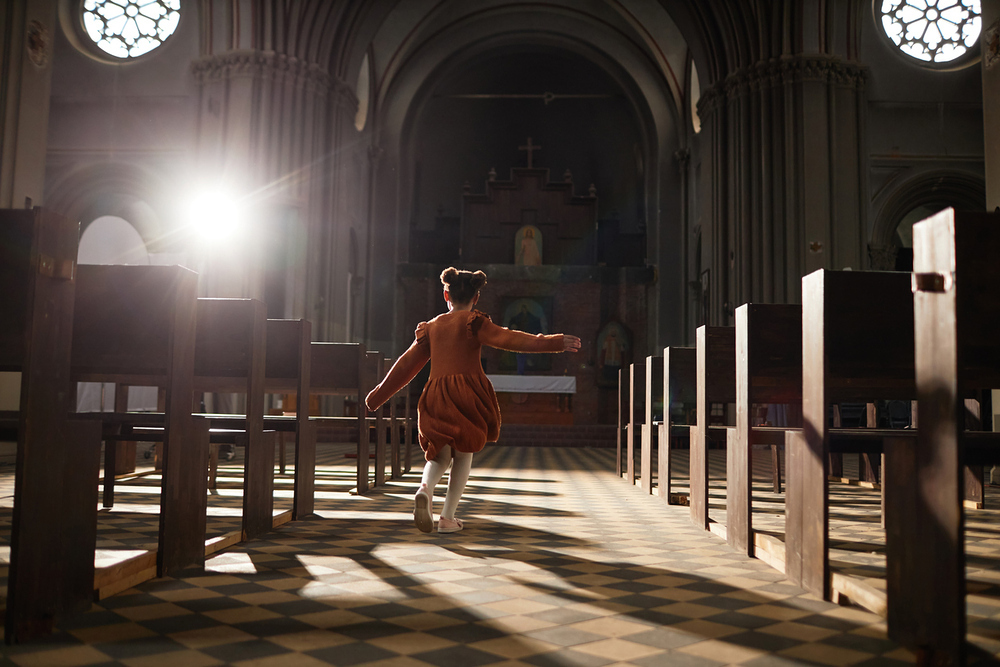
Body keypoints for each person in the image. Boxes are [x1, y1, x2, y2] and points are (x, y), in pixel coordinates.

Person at [365, 267, 581, 534]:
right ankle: (447, 517)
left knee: (439, 455)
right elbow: (510, 339)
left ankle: (425, 488)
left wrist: (377, 396)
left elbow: (406, 366)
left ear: (446, 294)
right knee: (464, 453)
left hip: (435, 396)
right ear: (476, 297)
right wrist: (554, 342)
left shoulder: (430, 328)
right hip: (466, 394)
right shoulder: (474, 323)